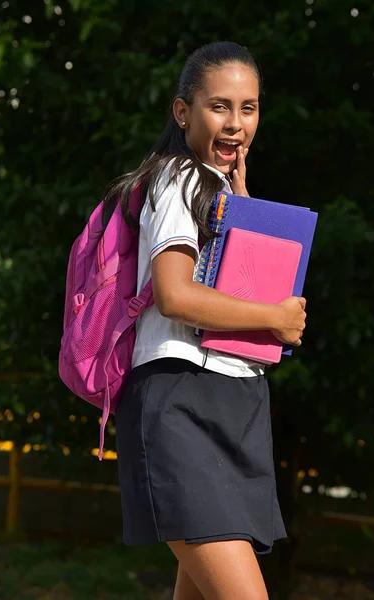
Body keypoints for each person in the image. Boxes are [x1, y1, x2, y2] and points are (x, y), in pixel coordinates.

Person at [107, 41, 307, 600]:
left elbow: (232, 291)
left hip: (233, 401)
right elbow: (174, 295)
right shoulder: (180, 177)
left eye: (249, 108)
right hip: (181, 403)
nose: (236, 123)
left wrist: (245, 207)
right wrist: (275, 316)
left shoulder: (219, 189)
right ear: (182, 112)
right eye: (219, 106)